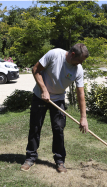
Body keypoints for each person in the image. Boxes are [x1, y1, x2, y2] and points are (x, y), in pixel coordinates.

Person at [21, 43, 89, 173]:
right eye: (80, 60)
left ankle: (60, 161)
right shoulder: (55, 54)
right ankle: (30, 158)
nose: (81, 63)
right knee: (35, 127)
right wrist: (44, 90)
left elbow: (80, 93)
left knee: (58, 129)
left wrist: (83, 117)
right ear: (73, 54)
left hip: (58, 100)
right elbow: (35, 69)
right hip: (40, 96)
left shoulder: (78, 69)